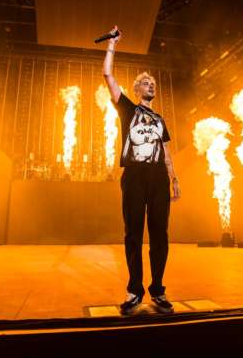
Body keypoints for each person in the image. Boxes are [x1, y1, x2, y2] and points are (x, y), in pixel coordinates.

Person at [102, 25, 181, 315]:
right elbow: (108, 75)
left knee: (160, 235)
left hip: (158, 178)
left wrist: (173, 179)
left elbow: (166, 150)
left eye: (153, 84)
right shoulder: (127, 109)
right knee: (133, 234)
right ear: (137, 90)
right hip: (134, 177)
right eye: (146, 83)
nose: (151, 86)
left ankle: (157, 290)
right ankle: (134, 291)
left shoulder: (159, 119)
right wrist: (112, 44)